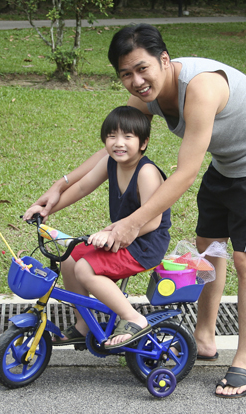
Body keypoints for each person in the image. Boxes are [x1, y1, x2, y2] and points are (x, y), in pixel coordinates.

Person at [26, 24, 246, 398]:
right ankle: (204, 336)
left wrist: (130, 225)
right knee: (208, 246)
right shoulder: (147, 96)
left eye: (142, 68)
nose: (136, 81)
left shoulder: (199, 89)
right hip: (226, 162)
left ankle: (244, 362)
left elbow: (184, 173)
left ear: (164, 61)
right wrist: (60, 187)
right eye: (125, 75)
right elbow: (111, 151)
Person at [23, 106, 171, 349]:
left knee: (84, 269)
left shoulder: (146, 173)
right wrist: (47, 209)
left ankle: (133, 318)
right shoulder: (110, 163)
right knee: (69, 257)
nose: (118, 143)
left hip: (144, 245)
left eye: (128, 137)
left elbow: (153, 221)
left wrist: (112, 233)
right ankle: (83, 325)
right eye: (112, 136)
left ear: (143, 143)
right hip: (120, 237)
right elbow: (81, 188)